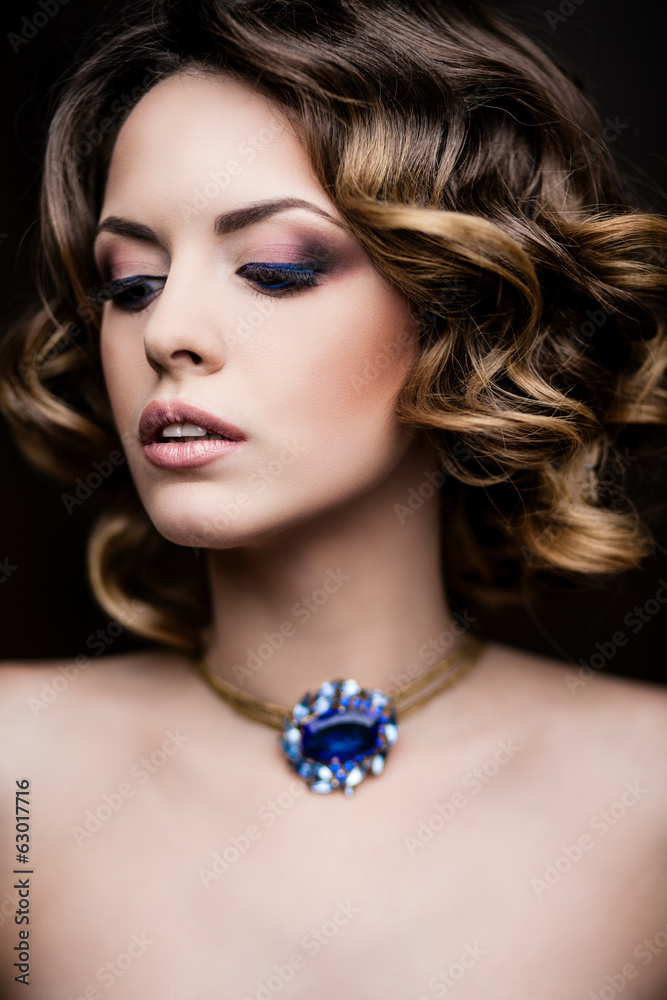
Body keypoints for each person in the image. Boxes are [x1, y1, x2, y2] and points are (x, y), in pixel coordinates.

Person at [1, 0, 666, 996]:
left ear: (459, 306)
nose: (167, 329)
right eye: (130, 282)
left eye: (275, 268)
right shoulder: (15, 769)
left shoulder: (649, 793)